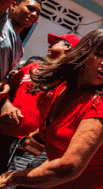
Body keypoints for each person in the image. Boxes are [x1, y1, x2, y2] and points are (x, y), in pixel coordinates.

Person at [0, 29, 103, 189]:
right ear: (83, 52)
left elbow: (68, 168)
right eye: (100, 53)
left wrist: (9, 178)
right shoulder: (59, 86)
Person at [0, 33, 80, 175]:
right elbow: (6, 88)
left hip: (28, 149)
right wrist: (6, 105)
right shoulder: (32, 67)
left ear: (68, 48)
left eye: (56, 42)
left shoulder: (69, 82)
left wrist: (39, 136)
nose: (50, 45)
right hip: (3, 133)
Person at [0, 0, 88, 81]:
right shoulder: (2, 21)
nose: (34, 15)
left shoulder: (19, 49)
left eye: (38, 13)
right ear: (13, 5)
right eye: (30, 9)